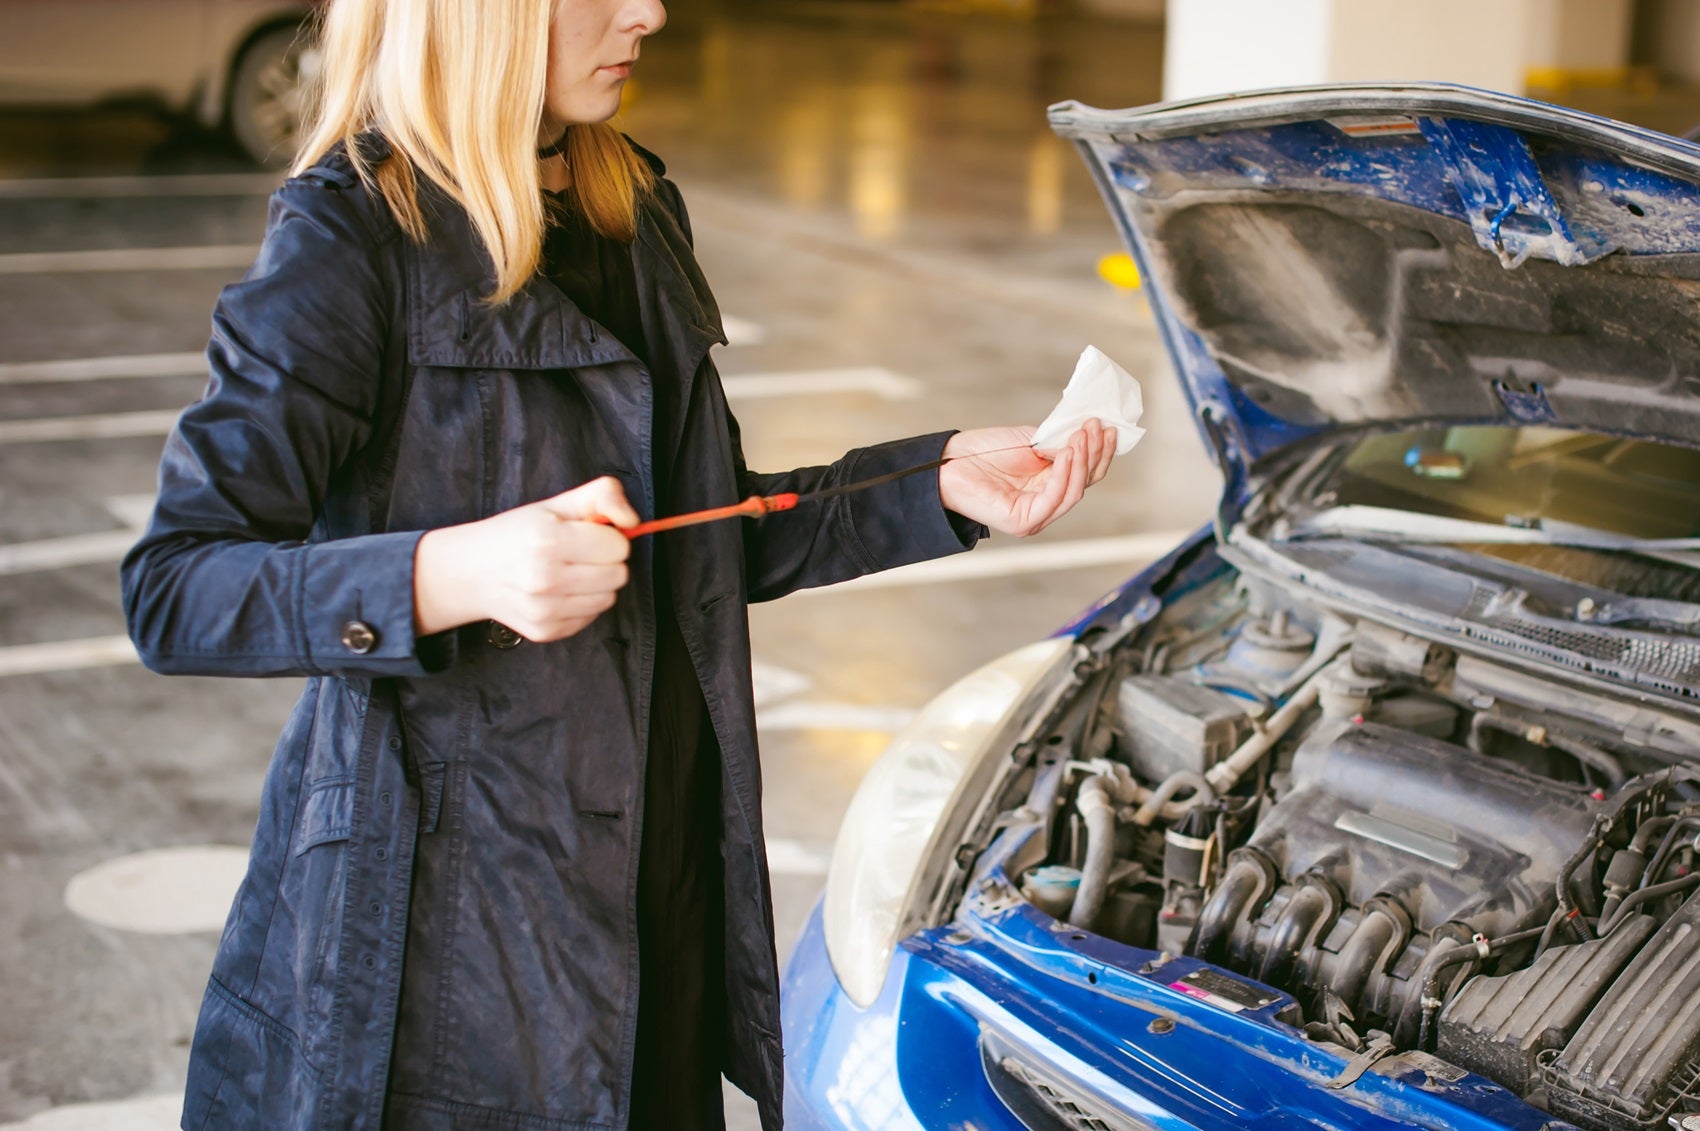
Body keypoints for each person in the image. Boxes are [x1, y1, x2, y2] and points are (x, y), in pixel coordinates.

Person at [119, 1, 1117, 1128]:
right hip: (447, 946)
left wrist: (928, 479)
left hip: (653, 893)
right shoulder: (351, 238)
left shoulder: (630, 206)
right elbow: (176, 588)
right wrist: (451, 574)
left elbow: (699, 536)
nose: (647, 10)